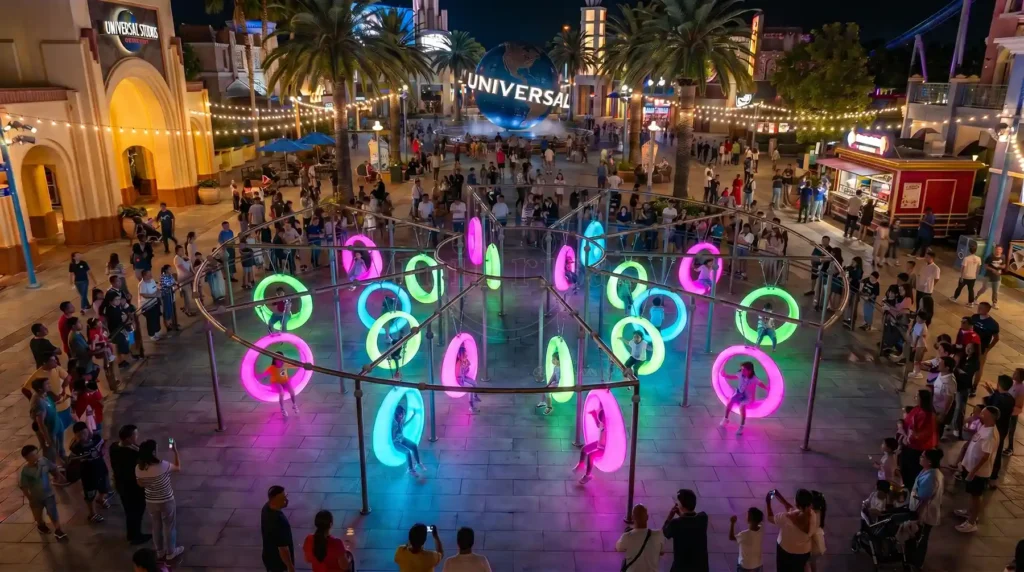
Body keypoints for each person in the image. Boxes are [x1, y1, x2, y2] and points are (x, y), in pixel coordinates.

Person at [953, 405, 999, 533]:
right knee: (972, 494)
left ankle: (972, 522)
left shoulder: (990, 434)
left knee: (976, 496)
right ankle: (969, 512)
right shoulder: (985, 426)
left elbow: (985, 456)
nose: (980, 415)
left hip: (979, 472)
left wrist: (973, 472)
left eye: (983, 414)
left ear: (990, 417)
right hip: (971, 467)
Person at [135, 438, 183, 561]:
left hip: (151, 501)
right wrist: (175, 451)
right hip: (166, 500)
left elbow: (140, 484)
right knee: (169, 526)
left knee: (156, 525)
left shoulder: (138, 469)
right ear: (153, 453)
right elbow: (178, 467)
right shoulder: (163, 465)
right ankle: (171, 552)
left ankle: (159, 551)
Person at [110, 424, 151, 545]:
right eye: (135, 435)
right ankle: (136, 535)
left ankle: (132, 534)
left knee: (129, 511)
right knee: (137, 511)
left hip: (121, 486)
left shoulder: (114, 447)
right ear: (128, 438)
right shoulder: (132, 454)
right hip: (133, 487)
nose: (137, 437)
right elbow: (146, 462)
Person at [20, 444, 66, 540]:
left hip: (48, 493)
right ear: (26, 458)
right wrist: (29, 497)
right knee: (38, 515)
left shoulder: (44, 461)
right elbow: (23, 486)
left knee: (52, 511)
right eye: (32, 455)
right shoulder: (26, 471)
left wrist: (59, 477)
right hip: (36, 497)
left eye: (36, 454)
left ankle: (58, 530)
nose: (36, 456)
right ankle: (41, 525)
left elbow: (53, 468)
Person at [67, 421, 111, 522]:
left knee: (104, 487)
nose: (83, 436)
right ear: (75, 435)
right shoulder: (75, 447)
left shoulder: (96, 438)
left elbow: (103, 445)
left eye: (84, 433)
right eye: (79, 435)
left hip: (100, 467)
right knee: (90, 494)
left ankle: (100, 499)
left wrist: (103, 449)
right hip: (87, 473)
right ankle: (92, 514)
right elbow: (72, 461)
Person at [766, 489, 818, 571]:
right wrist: (781, 498)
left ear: (797, 504)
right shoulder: (813, 515)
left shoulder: (785, 518)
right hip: (803, 552)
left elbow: (770, 518)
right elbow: (794, 511)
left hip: (785, 551)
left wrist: (768, 502)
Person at [909, 448, 944, 567]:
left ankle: (917, 562)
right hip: (921, 510)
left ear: (929, 461)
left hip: (924, 514)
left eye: (923, 457)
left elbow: (923, 499)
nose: (920, 458)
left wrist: (918, 516)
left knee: (921, 538)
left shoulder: (931, 477)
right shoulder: (928, 470)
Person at [662, 489, 709, 572]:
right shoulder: (703, 518)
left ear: (681, 505)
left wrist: (669, 517)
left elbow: (665, 532)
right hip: (701, 567)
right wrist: (682, 515)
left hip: (682, 567)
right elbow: (690, 521)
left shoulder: (675, 524)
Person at [900, 389, 937, 490]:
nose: (915, 398)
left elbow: (924, 434)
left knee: (911, 471)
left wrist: (910, 437)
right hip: (909, 444)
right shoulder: (917, 408)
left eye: (917, 397)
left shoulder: (928, 415)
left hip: (916, 448)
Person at [719, 361, 769, 435]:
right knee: (730, 401)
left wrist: (767, 388)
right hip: (739, 393)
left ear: (750, 371)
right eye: (741, 369)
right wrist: (725, 375)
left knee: (742, 406)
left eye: (744, 370)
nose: (742, 371)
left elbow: (760, 384)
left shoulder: (754, 379)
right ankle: (726, 418)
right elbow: (733, 377)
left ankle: (741, 426)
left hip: (748, 397)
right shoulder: (740, 374)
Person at [983, 374, 1016, 484]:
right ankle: (994, 475)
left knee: (990, 450)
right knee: (998, 450)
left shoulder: (998, 398)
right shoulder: (1010, 398)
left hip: (994, 427)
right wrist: (993, 392)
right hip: (1004, 427)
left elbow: (990, 408)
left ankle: (987, 473)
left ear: (999, 385)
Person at [615, 504, 664, 572]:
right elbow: (662, 552)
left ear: (632, 518)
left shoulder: (627, 536)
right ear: (647, 517)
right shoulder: (658, 534)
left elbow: (618, 548)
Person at [28, 377, 65, 465]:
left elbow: (49, 406)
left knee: (59, 448)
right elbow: (40, 423)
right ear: (40, 388)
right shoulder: (38, 402)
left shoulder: (44, 394)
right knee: (51, 452)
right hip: (50, 430)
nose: (50, 385)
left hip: (56, 425)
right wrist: (47, 438)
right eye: (47, 384)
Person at [262, 485, 296, 572]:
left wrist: (283, 503)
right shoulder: (279, 521)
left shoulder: (265, 508)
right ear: (276, 499)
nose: (286, 500)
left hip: (268, 556)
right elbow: (283, 548)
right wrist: (290, 566)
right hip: (279, 563)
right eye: (284, 498)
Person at [257, 351, 299, 417]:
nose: (280, 360)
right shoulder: (272, 368)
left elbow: (296, 365)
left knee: (292, 391)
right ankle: (282, 409)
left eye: (281, 358)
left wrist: (302, 364)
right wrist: (256, 376)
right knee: (281, 392)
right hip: (275, 382)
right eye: (278, 358)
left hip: (285, 381)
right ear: (275, 360)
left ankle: (294, 404)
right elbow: (264, 374)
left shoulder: (285, 364)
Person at [971, 301, 1000, 395]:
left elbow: (996, 338)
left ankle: (974, 386)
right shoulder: (974, 317)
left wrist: (988, 349)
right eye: (979, 307)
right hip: (971, 345)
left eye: (981, 308)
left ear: (987, 310)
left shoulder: (993, 324)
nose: (979, 309)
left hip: (982, 348)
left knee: (979, 367)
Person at [574, 407, 606, 484]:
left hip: (604, 449)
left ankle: (587, 476)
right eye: (602, 420)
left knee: (591, 455)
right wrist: (594, 415)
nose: (602, 422)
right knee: (584, 449)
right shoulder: (602, 423)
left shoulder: (610, 428)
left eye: (603, 420)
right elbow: (598, 424)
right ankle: (581, 464)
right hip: (599, 443)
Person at [393, 404, 425, 476]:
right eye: (402, 415)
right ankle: (411, 469)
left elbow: (405, 423)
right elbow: (392, 437)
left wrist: (413, 416)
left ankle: (418, 463)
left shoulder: (400, 421)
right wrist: (396, 431)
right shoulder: (394, 424)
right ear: (398, 414)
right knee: (407, 452)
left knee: (414, 446)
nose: (403, 416)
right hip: (396, 443)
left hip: (402, 439)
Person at [729, 507, 764, 572]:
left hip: (745, 566)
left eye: (748, 515)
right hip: (758, 564)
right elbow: (760, 523)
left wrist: (732, 523)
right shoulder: (761, 529)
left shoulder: (744, 534)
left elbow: (731, 537)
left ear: (750, 518)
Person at [456, 345, 480, 414]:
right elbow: (459, 375)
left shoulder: (465, 361)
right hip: (460, 380)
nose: (466, 356)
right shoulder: (459, 363)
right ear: (461, 355)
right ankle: (471, 407)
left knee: (474, 383)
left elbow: (466, 371)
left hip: (463, 377)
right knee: (471, 388)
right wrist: (464, 368)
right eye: (465, 355)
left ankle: (475, 396)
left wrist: (467, 367)